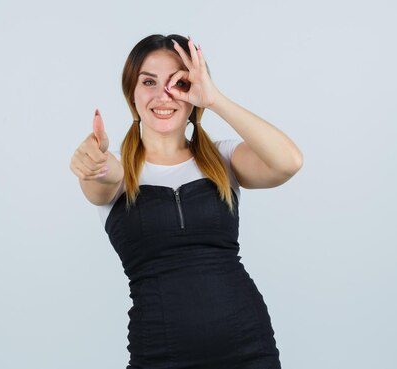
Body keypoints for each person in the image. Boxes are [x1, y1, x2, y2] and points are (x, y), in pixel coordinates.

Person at [69, 33, 303, 368]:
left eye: (178, 83)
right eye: (148, 81)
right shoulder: (116, 167)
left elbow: (288, 162)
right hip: (160, 356)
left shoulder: (223, 158)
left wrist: (215, 100)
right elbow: (102, 179)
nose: (163, 95)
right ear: (131, 94)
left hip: (249, 349)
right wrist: (93, 163)